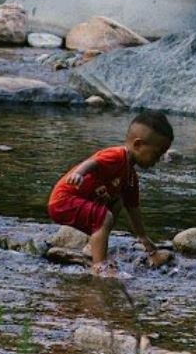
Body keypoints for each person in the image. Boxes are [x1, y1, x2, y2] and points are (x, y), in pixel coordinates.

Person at [47, 110, 176, 275]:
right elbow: (93, 162)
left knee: (118, 201)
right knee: (104, 217)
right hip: (64, 201)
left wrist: (145, 239)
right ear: (138, 145)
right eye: (156, 154)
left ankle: (90, 246)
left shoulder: (130, 177)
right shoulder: (116, 155)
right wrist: (78, 173)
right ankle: (99, 265)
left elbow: (133, 208)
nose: (157, 161)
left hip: (81, 203)